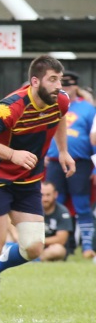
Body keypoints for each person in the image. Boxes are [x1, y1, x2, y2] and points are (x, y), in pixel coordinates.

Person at [0, 55, 74, 313]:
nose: (58, 85)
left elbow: (61, 116)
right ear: (35, 81)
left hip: (28, 181)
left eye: (59, 79)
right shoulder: (12, 107)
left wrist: (63, 151)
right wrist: (12, 154)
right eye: (52, 79)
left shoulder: (59, 99)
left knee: (33, 247)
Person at [45, 70, 95, 258]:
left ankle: (88, 246)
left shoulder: (88, 109)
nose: (65, 88)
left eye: (69, 85)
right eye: (62, 84)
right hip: (55, 162)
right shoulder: (51, 105)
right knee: (53, 203)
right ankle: (63, 246)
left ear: (75, 86)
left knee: (81, 204)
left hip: (80, 162)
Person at [37, 181, 73, 261]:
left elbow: (61, 239)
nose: (45, 199)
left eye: (48, 195)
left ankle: (36, 259)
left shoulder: (63, 212)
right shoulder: (31, 209)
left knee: (58, 250)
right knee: (9, 236)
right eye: (42, 195)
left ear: (55, 194)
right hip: (33, 245)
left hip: (51, 247)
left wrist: (37, 242)